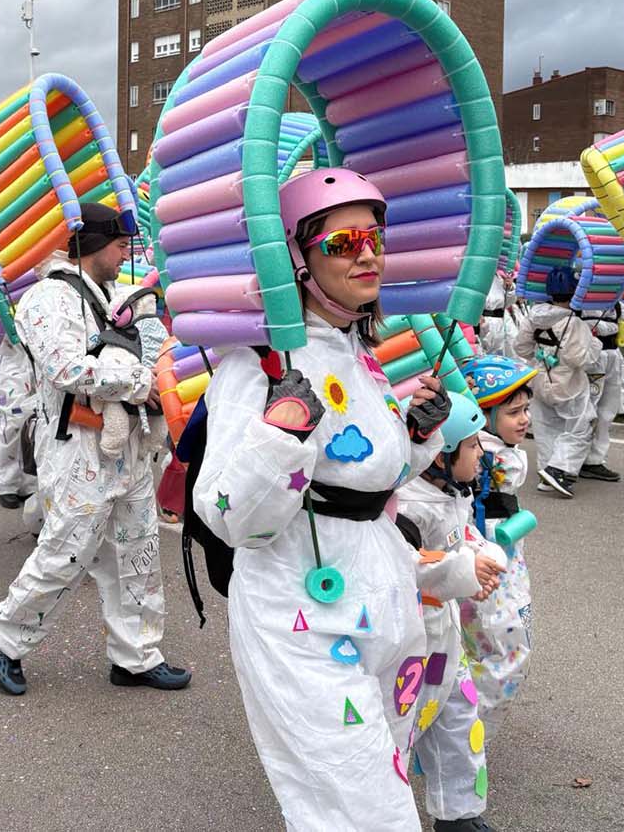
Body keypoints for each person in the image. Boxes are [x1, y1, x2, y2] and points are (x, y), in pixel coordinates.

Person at [192, 168, 452, 831]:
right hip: (298, 607)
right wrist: (278, 435)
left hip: (381, 591)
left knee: (379, 773)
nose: (368, 253)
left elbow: (364, 474)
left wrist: (415, 436)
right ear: (298, 260)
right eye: (343, 243)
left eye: (375, 237)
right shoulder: (257, 365)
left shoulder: (357, 349)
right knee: (367, 809)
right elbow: (224, 512)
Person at [0, 201, 188, 696]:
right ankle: (3, 635)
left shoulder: (115, 293)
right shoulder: (46, 299)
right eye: (118, 245)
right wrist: (142, 382)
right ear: (91, 244)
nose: (124, 255)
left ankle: (135, 655)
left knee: (139, 553)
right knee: (65, 553)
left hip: (130, 448)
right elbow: (65, 368)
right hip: (77, 448)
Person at [398, 395, 503, 832]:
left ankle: (459, 812)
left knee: (460, 721)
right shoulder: (407, 506)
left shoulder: (453, 492)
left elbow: (466, 537)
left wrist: (482, 554)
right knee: (400, 726)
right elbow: (407, 566)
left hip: (446, 637)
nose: (481, 454)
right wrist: (464, 569)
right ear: (441, 454)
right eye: (473, 445)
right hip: (411, 643)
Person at [457, 354, 539, 732]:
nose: (524, 420)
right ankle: (468, 731)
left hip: (504, 558)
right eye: (514, 412)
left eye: (525, 409)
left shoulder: (494, 451)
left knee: (500, 647)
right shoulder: (485, 455)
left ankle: (467, 726)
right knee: (499, 648)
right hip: (487, 563)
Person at [515, 268, 599, 498]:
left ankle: (546, 472)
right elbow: (578, 359)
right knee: (581, 426)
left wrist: (541, 357)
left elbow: (521, 348)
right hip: (568, 383)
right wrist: (595, 344)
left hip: (539, 378)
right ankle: (560, 470)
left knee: (545, 427)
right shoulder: (575, 322)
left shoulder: (533, 316)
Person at [576, 299, 624, 483]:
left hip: (612, 358)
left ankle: (594, 460)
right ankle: (572, 459)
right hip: (589, 359)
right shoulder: (580, 300)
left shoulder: (618, 306)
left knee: (606, 412)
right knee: (585, 411)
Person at [0, 336, 36, 506]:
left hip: (38, 354)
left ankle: (29, 481)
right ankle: (7, 483)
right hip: (11, 354)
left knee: (35, 420)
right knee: (14, 420)